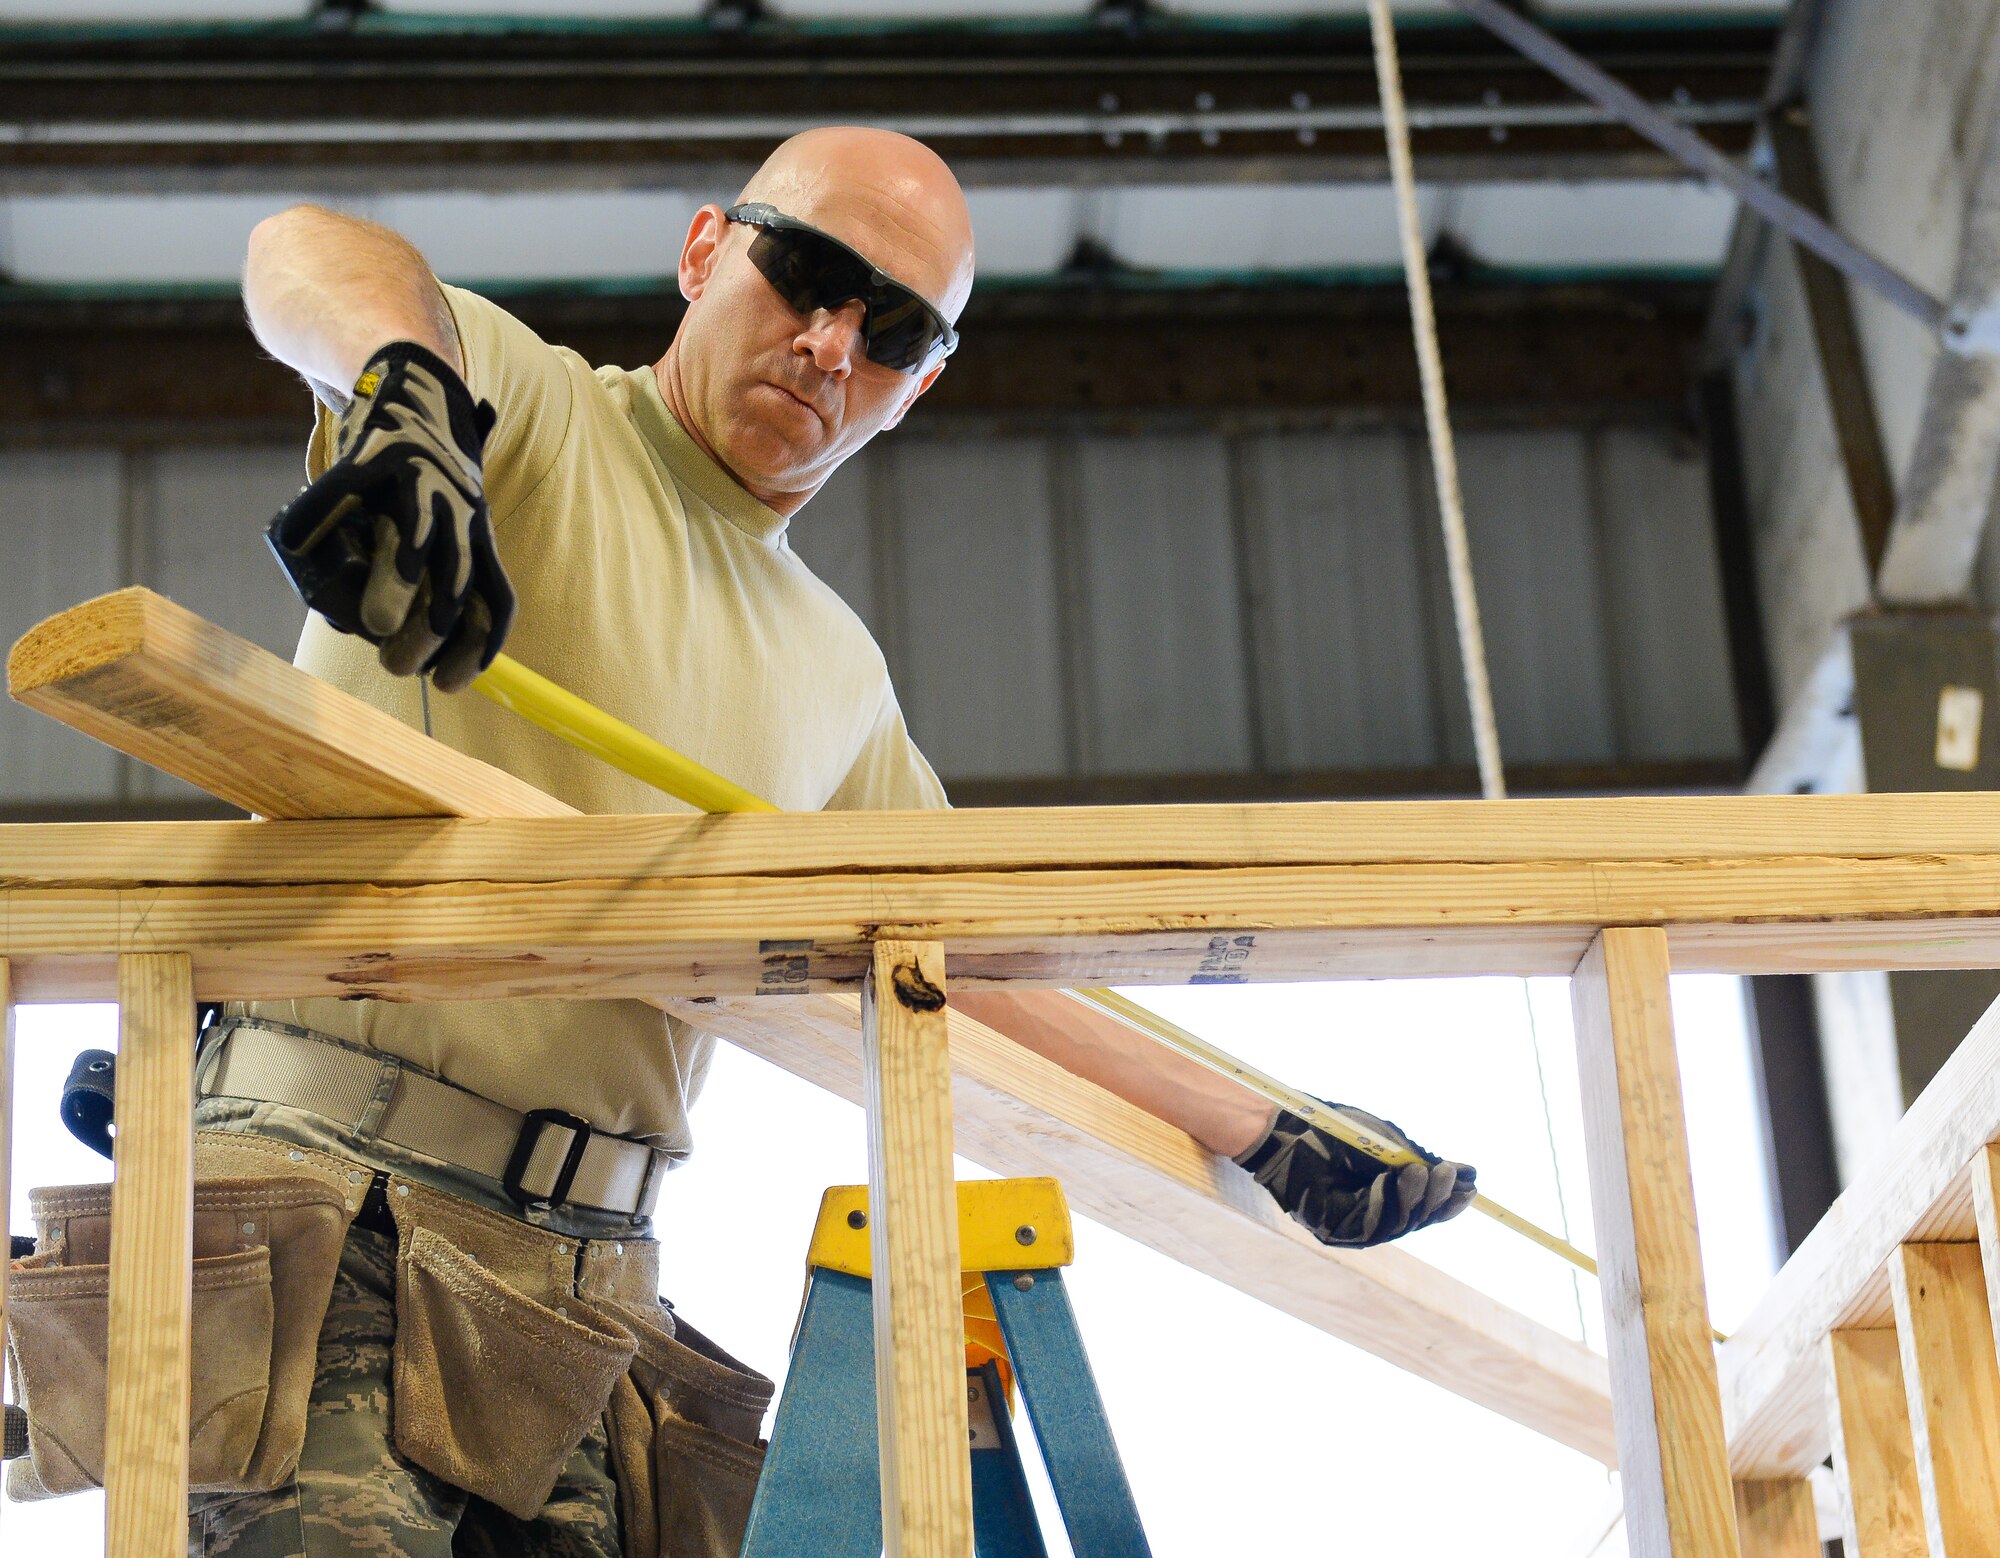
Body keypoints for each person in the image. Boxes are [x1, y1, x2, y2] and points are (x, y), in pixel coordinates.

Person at [183, 126, 1474, 1556]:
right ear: (702, 253)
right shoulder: (528, 411)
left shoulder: (840, 681)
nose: (827, 341)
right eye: (804, 271)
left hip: (586, 1282)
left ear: (918, 385)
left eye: (893, 327)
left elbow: (966, 958)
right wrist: (408, 398)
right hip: (334, 1197)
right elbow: (301, 250)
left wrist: (1259, 1121)